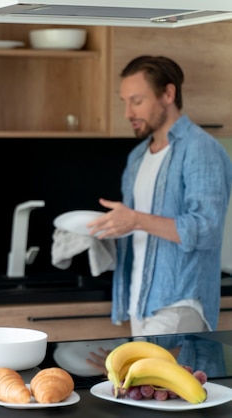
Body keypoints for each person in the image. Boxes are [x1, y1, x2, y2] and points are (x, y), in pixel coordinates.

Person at [88, 55, 232, 336]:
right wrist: (103, 230)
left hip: (179, 303)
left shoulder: (200, 149)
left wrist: (136, 220)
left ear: (168, 93)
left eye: (137, 101)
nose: (128, 112)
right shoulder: (138, 157)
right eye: (125, 102)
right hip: (139, 301)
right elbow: (136, 227)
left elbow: (206, 229)